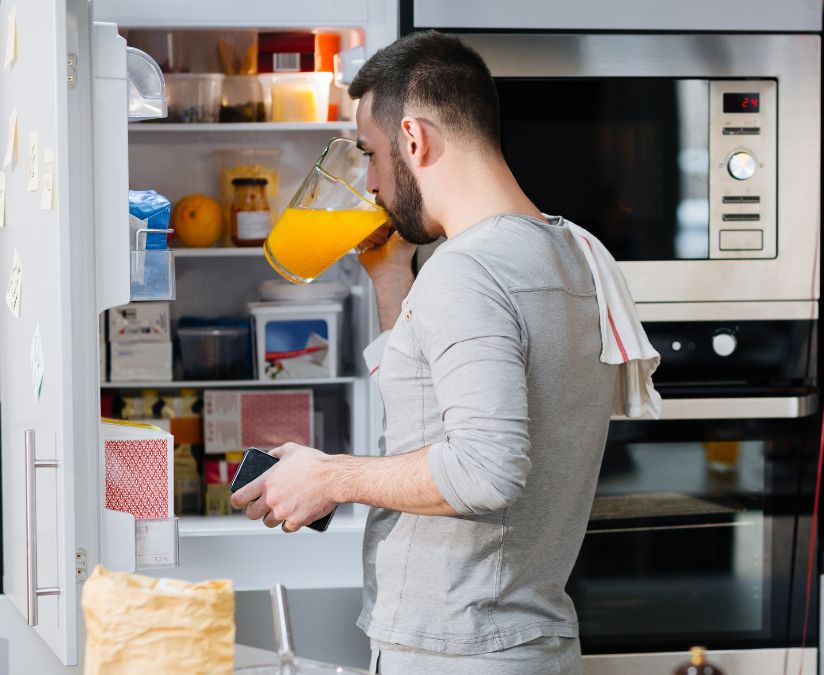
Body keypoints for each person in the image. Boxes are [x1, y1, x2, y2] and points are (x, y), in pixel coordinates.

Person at [230, 31, 626, 673]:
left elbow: (485, 470)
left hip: (461, 648)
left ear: (414, 140)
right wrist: (392, 278)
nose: (369, 181)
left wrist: (330, 475)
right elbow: (432, 408)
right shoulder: (567, 251)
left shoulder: (468, 270)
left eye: (373, 155)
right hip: (523, 639)